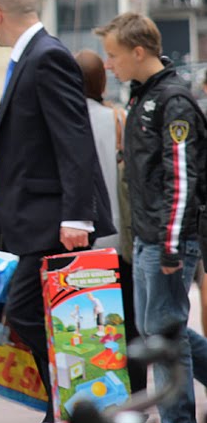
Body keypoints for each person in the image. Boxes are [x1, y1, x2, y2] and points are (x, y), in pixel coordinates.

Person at [0, 0, 113, 423]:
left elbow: (73, 139)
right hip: (34, 219)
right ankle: (64, 415)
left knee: (27, 313)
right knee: (44, 316)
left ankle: (77, 409)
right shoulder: (31, 57)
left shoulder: (47, 56)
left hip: (52, 220)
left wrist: (77, 216)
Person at [96, 12, 207, 423]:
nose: (109, 64)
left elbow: (182, 179)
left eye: (113, 55)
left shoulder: (172, 102)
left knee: (164, 336)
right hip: (148, 235)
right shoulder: (145, 95)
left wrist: (171, 245)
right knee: (159, 329)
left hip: (165, 238)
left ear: (138, 52)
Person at [74, 48, 147, 393]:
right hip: (121, 237)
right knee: (128, 320)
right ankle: (137, 395)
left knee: (87, 324)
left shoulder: (64, 120)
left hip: (80, 237)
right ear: (101, 81)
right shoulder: (118, 118)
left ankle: (93, 394)